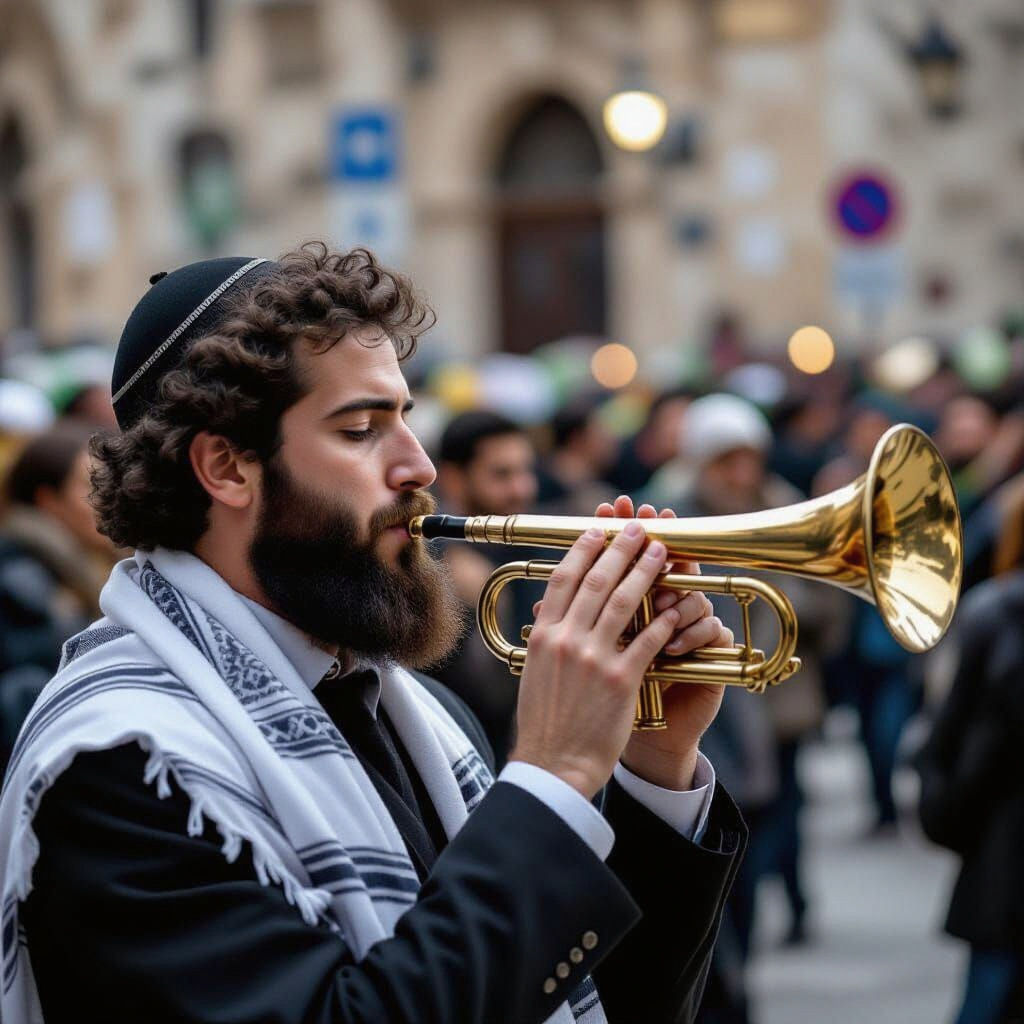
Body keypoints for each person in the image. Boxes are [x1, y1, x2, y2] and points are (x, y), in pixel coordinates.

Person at [0, 245, 746, 1024]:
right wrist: (554, 774)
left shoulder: (421, 714)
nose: (419, 466)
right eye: (361, 429)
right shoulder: (121, 766)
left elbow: (569, 994)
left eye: (407, 420)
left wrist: (651, 766)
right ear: (225, 467)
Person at [916, 487, 1024, 1024]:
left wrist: (946, 811)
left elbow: (955, 739)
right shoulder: (995, 612)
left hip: (1001, 849)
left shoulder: (994, 611)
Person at [0, 420, 118, 772]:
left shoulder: (84, 569)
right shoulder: (22, 582)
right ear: (48, 501)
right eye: (91, 484)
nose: (108, 496)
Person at [431, 409, 544, 763]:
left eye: (526, 471)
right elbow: (492, 695)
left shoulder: (532, 545)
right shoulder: (429, 561)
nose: (522, 488)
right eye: (502, 474)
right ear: (453, 479)